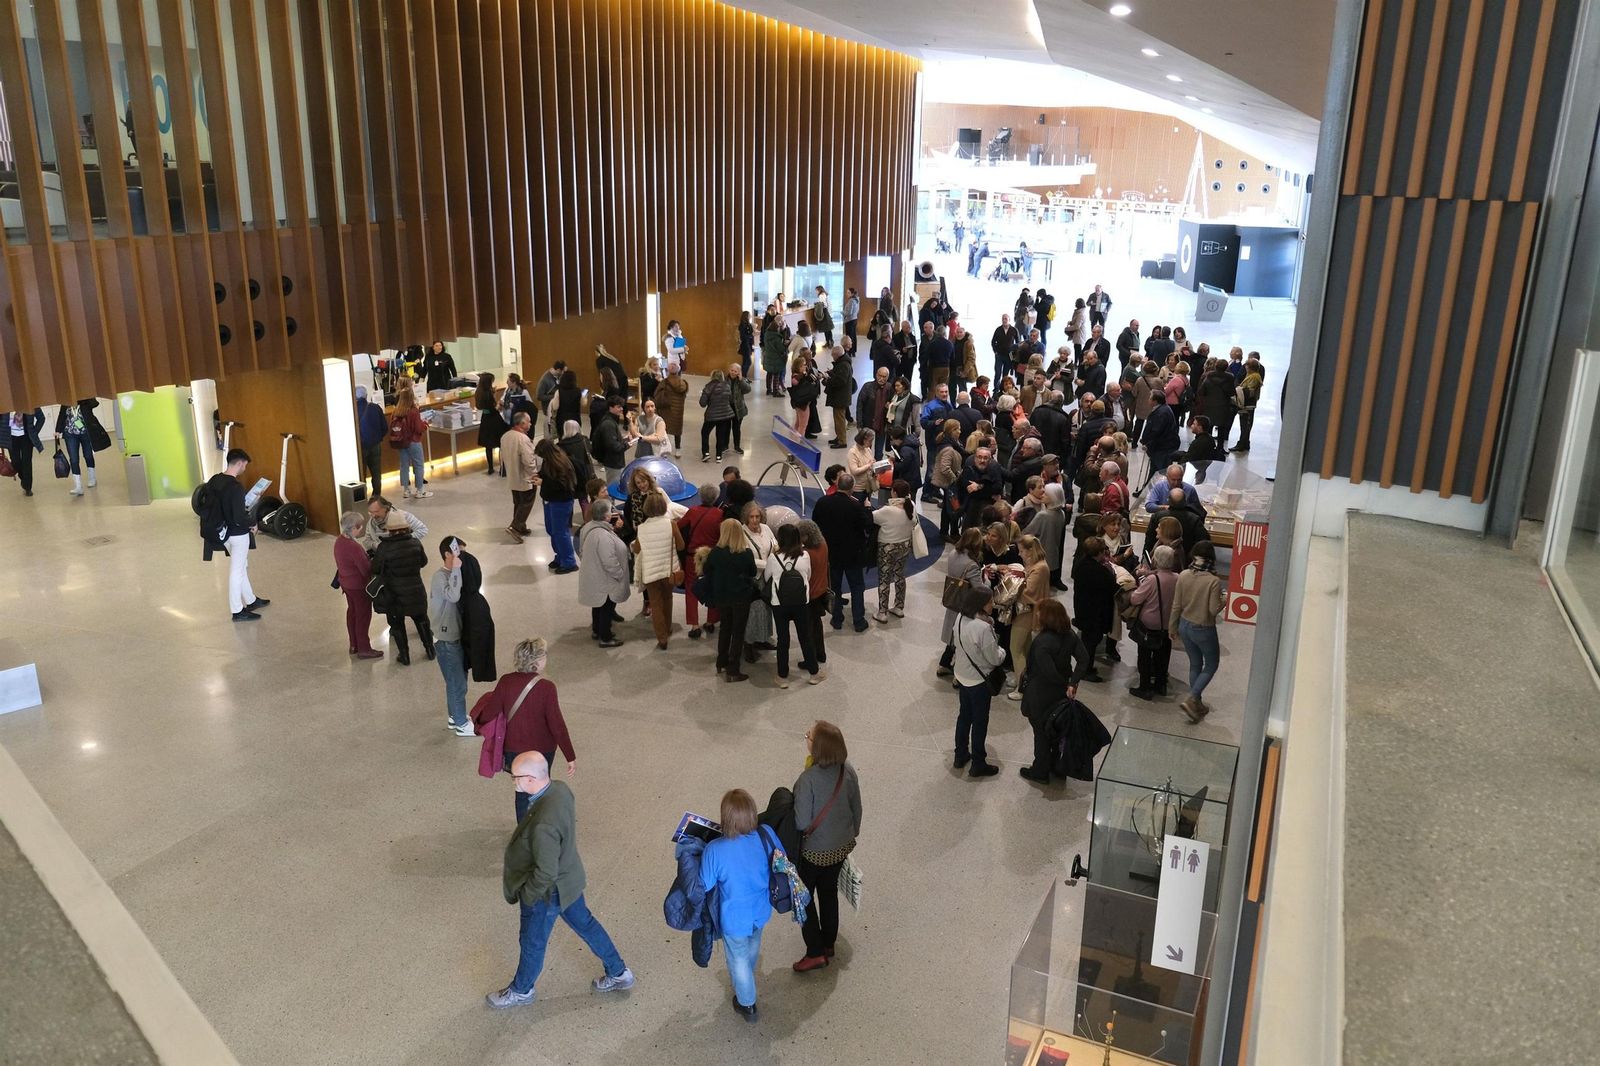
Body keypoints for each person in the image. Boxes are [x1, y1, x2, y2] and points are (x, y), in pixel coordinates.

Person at [485, 750, 633, 1009]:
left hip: (549, 892)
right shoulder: (560, 790)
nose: (514, 782)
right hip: (570, 880)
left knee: (533, 942)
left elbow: (545, 872)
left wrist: (529, 897)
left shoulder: (543, 825)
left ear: (530, 779)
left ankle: (521, 990)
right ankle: (619, 972)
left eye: (516, 778)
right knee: (586, 924)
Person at [472, 637, 577, 820]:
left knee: (521, 791)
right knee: (541, 787)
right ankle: (540, 827)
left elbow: (489, 713)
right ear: (537, 662)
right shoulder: (546, 687)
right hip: (542, 750)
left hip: (514, 750)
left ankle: (523, 831)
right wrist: (570, 756)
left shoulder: (506, 682)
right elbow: (557, 725)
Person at [791, 721, 863, 971]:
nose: (806, 737)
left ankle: (814, 951)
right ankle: (829, 942)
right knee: (829, 891)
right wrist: (848, 834)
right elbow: (857, 808)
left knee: (804, 896)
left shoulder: (807, 780)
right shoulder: (848, 770)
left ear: (817, 748)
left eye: (808, 736)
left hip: (814, 852)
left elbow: (801, 822)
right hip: (841, 847)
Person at [699, 789, 773, 1023]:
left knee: (737, 958)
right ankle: (746, 979)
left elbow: (705, 883)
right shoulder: (765, 835)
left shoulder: (715, 850)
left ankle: (747, 1003)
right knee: (752, 946)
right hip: (760, 911)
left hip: (734, 919)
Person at [1017, 599, 1094, 783]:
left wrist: (1063, 682)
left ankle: (1040, 771)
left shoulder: (1042, 642)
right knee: (1057, 730)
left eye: (1039, 612)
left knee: (1041, 733)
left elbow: (1047, 672)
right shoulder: (1070, 635)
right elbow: (1083, 660)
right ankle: (1057, 767)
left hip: (1040, 694)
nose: (1036, 615)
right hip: (1061, 696)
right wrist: (1072, 683)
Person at [202, 448, 270, 621]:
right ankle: (237, 610)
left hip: (223, 533)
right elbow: (239, 517)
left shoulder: (215, 480)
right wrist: (253, 524)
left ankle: (251, 599)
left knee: (241, 567)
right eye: (245, 465)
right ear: (239, 463)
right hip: (238, 534)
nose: (244, 468)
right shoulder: (235, 487)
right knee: (237, 571)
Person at [951, 587, 1004, 777]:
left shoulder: (959, 617)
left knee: (964, 717)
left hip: (962, 675)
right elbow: (994, 658)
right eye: (991, 602)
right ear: (981, 604)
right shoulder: (983, 628)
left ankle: (960, 754)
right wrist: (1003, 652)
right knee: (980, 722)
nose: (993, 604)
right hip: (979, 681)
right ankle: (978, 763)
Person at [1171, 540, 1226, 722]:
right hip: (1203, 628)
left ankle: (1197, 705)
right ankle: (1192, 697)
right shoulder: (1213, 581)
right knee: (1211, 664)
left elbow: (1176, 605)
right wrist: (1224, 600)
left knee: (1195, 664)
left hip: (1184, 625)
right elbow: (1212, 610)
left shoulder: (1184, 575)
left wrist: (1172, 627)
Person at [812, 471, 872, 632]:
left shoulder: (823, 502)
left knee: (835, 588)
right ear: (852, 488)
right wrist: (867, 509)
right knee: (857, 587)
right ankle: (858, 621)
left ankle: (837, 618)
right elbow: (866, 525)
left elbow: (814, 524)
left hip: (831, 554)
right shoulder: (855, 506)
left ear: (837, 485)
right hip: (853, 555)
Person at [765, 523, 822, 687]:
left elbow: (768, 578)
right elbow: (808, 576)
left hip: (779, 603)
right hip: (801, 603)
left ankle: (783, 677)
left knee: (783, 639)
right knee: (805, 637)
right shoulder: (805, 556)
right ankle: (814, 673)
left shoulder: (773, 558)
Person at [372, 509, 432, 664]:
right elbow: (424, 562)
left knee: (397, 624)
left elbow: (376, 569)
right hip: (416, 590)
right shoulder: (415, 543)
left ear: (389, 530)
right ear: (406, 527)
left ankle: (404, 656)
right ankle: (430, 650)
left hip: (394, 594)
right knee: (421, 619)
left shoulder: (384, 548)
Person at [430, 537, 476, 735]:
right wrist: (456, 570)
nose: (461, 558)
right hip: (447, 639)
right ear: (448, 554)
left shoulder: (455, 574)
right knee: (457, 683)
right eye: (459, 553)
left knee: (456, 680)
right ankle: (460, 724)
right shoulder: (440, 576)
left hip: (455, 636)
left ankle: (454, 716)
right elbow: (453, 596)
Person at [702, 518, 757, 681]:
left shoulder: (716, 553)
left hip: (722, 597)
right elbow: (753, 572)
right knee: (738, 632)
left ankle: (721, 661)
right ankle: (733, 669)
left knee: (725, 628)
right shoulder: (746, 554)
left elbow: (706, 570)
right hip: (741, 597)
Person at [632, 492, 684, 650]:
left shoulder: (641, 528)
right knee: (668, 600)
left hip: (651, 573)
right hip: (669, 571)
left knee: (655, 605)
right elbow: (681, 546)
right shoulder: (671, 524)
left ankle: (662, 639)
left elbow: (637, 549)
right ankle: (668, 629)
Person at [1128, 544, 1180, 700]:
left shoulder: (1152, 580)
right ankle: (1160, 684)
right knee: (1163, 656)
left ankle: (1144, 687)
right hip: (1168, 624)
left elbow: (1135, 599)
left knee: (1144, 656)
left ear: (1156, 560)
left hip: (1149, 625)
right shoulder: (1177, 578)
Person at [576, 497, 630, 648]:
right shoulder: (603, 535)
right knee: (606, 607)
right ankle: (605, 637)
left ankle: (597, 630)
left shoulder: (588, 528)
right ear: (606, 516)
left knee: (598, 605)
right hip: (605, 578)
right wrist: (620, 574)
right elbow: (609, 561)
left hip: (594, 575)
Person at [1006, 535, 1052, 701]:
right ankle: (1024, 680)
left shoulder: (1039, 568)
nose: (1019, 554)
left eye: (1022, 551)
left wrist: (1011, 584)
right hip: (1025, 611)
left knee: (1016, 649)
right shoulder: (1035, 565)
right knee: (1025, 649)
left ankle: (1021, 687)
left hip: (1027, 612)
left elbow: (1028, 592)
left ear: (1030, 550)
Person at [679, 485, 726, 640]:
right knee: (713, 588)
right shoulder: (720, 514)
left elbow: (680, 527)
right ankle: (711, 621)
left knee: (691, 590)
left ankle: (694, 625)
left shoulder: (692, 511)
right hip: (712, 558)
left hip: (692, 557)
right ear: (716, 497)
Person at [335, 512, 383, 659]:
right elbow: (365, 569)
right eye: (360, 525)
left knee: (352, 613)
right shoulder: (354, 547)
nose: (362, 528)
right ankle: (364, 648)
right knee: (363, 616)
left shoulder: (339, 541)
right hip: (358, 587)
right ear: (355, 527)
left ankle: (354, 644)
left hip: (346, 584)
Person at [1071, 536, 1116, 683]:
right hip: (1094, 613)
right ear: (1100, 553)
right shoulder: (1098, 571)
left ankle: (1085, 667)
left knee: (1087, 640)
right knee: (1091, 642)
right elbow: (1112, 587)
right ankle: (1085, 670)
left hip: (1083, 608)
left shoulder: (1081, 563)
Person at [872, 479, 916, 621]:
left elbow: (872, 518)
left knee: (884, 578)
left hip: (887, 547)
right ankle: (898, 607)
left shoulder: (887, 510)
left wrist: (867, 506)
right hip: (904, 545)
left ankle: (882, 612)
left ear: (894, 492)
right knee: (899, 575)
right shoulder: (911, 505)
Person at [533, 437, 578, 573]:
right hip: (550, 500)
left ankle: (569, 562)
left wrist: (543, 483)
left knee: (560, 532)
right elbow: (547, 474)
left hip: (560, 502)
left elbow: (561, 485)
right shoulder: (550, 460)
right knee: (552, 530)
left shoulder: (560, 463)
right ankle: (560, 556)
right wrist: (538, 475)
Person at [501, 412, 540, 543]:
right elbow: (529, 460)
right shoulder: (523, 439)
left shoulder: (505, 436)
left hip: (512, 476)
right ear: (522, 423)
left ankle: (521, 527)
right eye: (528, 421)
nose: (530, 424)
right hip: (525, 477)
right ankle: (515, 527)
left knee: (518, 502)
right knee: (527, 503)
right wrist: (535, 474)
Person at [388, 389, 432, 499]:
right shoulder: (413, 411)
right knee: (418, 465)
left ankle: (406, 490)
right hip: (414, 441)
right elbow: (418, 428)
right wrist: (425, 425)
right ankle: (420, 490)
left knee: (404, 465)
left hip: (401, 441)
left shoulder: (395, 411)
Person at [354, 387, 387, 498]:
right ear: (366, 395)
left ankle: (362, 498)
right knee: (376, 473)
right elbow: (385, 427)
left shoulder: (352, 410)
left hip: (360, 447)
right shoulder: (375, 407)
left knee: (361, 474)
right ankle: (376, 496)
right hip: (375, 445)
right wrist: (378, 438)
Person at [4, 408, 44, 497]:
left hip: (26, 437)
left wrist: (34, 432)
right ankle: (24, 478)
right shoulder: (6, 404)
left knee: (27, 462)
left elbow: (41, 418)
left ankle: (28, 487)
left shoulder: (29, 402)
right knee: (15, 462)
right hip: (11, 438)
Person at [591, 396, 632, 483]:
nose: (621, 409)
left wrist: (624, 440)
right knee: (613, 486)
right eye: (618, 407)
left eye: (622, 406)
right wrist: (626, 445)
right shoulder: (608, 424)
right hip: (613, 462)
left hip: (613, 461)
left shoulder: (610, 420)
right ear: (610, 407)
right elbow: (613, 446)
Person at [698, 368, 736, 462]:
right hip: (725, 415)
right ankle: (719, 456)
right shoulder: (727, 386)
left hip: (711, 416)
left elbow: (702, 403)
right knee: (720, 435)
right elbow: (731, 400)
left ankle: (706, 453)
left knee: (705, 433)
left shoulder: (708, 387)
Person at [474, 374, 508, 474]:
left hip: (485, 419)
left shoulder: (478, 392)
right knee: (501, 442)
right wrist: (498, 404)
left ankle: (490, 467)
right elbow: (493, 409)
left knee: (488, 445)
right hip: (494, 419)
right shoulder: (488, 393)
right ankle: (503, 466)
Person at [1230, 357, 1264, 452]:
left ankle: (1242, 443)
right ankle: (1244, 442)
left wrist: (1239, 390)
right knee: (1244, 424)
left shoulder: (1254, 377)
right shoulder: (1253, 375)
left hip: (1247, 405)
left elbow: (1250, 391)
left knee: (1245, 425)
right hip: (1247, 404)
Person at [824, 347, 856, 448]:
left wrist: (827, 380)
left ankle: (842, 441)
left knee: (840, 420)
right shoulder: (843, 363)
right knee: (837, 419)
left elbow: (840, 381)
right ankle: (839, 437)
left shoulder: (844, 365)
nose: (832, 357)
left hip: (840, 397)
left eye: (833, 355)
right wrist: (831, 373)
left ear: (837, 355)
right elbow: (839, 376)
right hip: (840, 396)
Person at [655, 364, 689, 453]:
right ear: (678, 371)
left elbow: (656, 395)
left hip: (666, 410)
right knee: (677, 430)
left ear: (668, 371)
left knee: (664, 428)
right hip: (678, 410)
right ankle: (678, 449)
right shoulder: (683, 383)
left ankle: (665, 449)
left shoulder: (664, 382)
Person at [737, 311, 755, 380]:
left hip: (748, 345)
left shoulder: (747, 324)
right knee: (748, 362)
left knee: (745, 362)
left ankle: (743, 377)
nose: (750, 316)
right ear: (746, 316)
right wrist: (750, 336)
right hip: (745, 346)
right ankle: (743, 377)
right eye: (749, 315)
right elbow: (743, 336)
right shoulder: (743, 325)